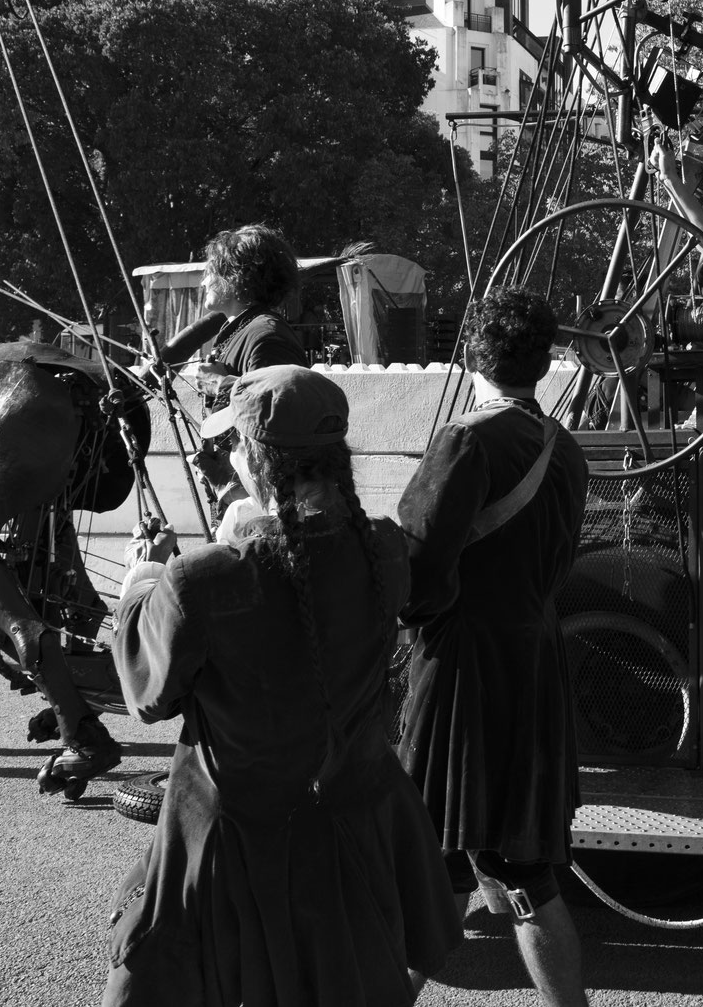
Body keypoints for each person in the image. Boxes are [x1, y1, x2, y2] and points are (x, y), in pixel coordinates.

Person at [104, 366, 461, 1007]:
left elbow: (146, 693)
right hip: (348, 824)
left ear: (255, 458)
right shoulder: (383, 551)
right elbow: (301, 570)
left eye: (234, 445)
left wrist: (142, 578)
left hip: (233, 845)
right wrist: (241, 519)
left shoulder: (199, 580)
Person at [397, 288, 592, 1007]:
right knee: (507, 869)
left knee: (450, 862)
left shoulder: (465, 439)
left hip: (461, 672)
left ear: (472, 351)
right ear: (541, 362)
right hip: (532, 665)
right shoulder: (563, 449)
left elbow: (416, 572)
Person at [183, 224, 308, 532]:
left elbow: (280, 422)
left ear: (239, 274)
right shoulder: (246, 330)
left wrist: (222, 386)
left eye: (213, 269)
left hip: (263, 517)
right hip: (241, 501)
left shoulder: (266, 335)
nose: (204, 280)